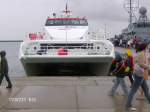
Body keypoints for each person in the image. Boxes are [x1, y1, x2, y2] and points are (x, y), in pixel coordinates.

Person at [125, 43, 150, 111]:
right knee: (133, 91)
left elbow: (138, 62)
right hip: (139, 74)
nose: (148, 48)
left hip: (139, 73)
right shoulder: (141, 54)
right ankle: (128, 105)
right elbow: (141, 64)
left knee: (146, 89)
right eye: (147, 47)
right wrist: (148, 67)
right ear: (144, 47)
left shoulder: (140, 53)